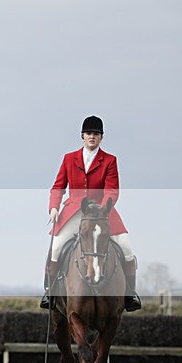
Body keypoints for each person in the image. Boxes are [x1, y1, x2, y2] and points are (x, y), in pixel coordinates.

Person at [40, 115, 142, 312]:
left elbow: (112, 189)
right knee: (56, 248)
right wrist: (53, 207)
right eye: (89, 133)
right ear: (82, 136)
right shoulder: (69, 158)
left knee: (126, 247)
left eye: (96, 134)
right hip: (74, 211)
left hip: (103, 212)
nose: (92, 137)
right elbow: (58, 186)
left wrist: (103, 209)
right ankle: (49, 293)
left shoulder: (110, 160)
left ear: (101, 138)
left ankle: (130, 294)